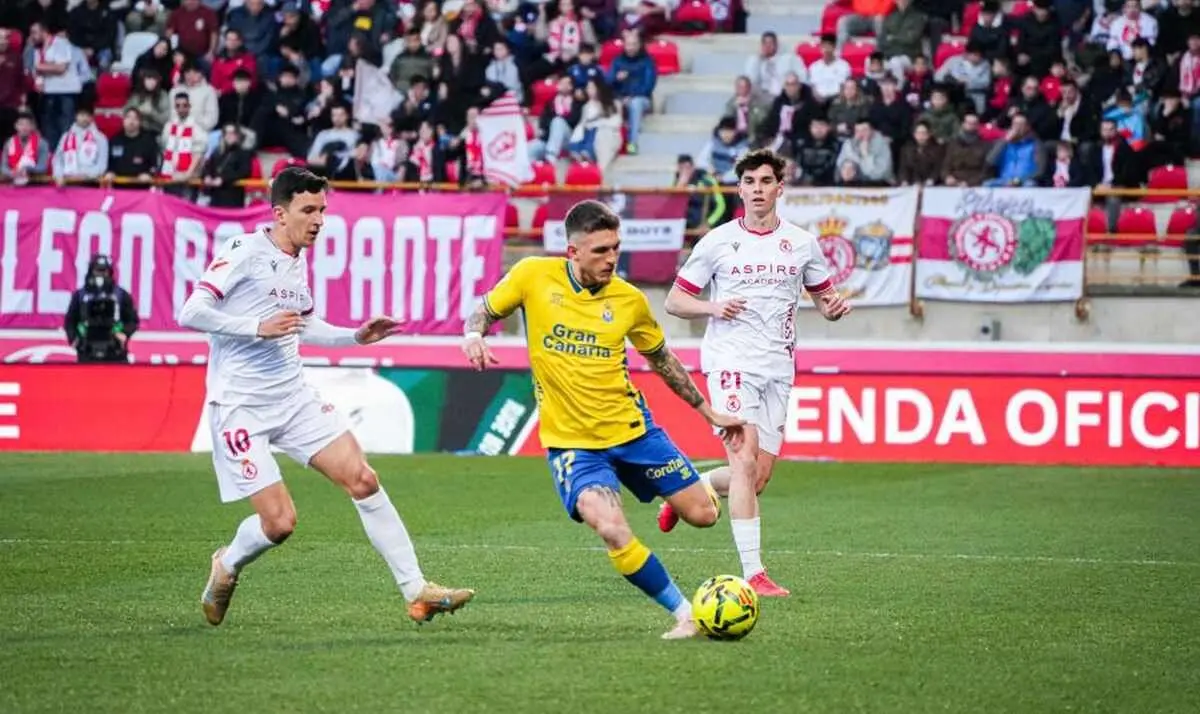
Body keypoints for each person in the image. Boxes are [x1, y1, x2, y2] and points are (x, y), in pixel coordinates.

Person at [178, 167, 474, 628]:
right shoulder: (244, 251)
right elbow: (191, 311)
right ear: (280, 213)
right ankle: (228, 563)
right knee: (279, 524)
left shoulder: (295, 259)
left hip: (294, 398)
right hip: (240, 407)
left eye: (323, 210)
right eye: (308, 210)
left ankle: (417, 591)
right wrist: (255, 326)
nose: (318, 220)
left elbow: (304, 323)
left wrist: (355, 336)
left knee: (363, 479)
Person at [460, 200, 745, 640]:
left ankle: (693, 488)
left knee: (705, 516)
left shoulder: (629, 301)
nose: (611, 259)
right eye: (600, 251)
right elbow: (483, 309)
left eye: (615, 248)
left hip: (634, 432)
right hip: (574, 444)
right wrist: (473, 335)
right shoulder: (533, 276)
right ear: (571, 252)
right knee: (611, 527)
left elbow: (663, 361)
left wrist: (708, 412)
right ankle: (685, 612)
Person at [657, 149, 853, 597]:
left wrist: (835, 309)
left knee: (757, 477)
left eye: (766, 181)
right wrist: (712, 305)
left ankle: (687, 487)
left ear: (779, 188)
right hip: (730, 363)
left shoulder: (802, 243)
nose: (758, 189)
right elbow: (674, 301)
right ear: (740, 188)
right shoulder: (718, 241)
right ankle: (754, 575)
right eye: (750, 181)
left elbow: (825, 301)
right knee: (743, 462)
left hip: (778, 368)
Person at [64, 255, 138, 363]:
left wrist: (125, 333)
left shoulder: (121, 295)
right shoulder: (80, 295)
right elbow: (70, 320)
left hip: (114, 350)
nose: (101, 274)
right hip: (87, 349)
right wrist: (74, 338)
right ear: (91, 271)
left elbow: (132, 320)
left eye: (104, 271)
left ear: (109, 272)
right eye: (97, 270)